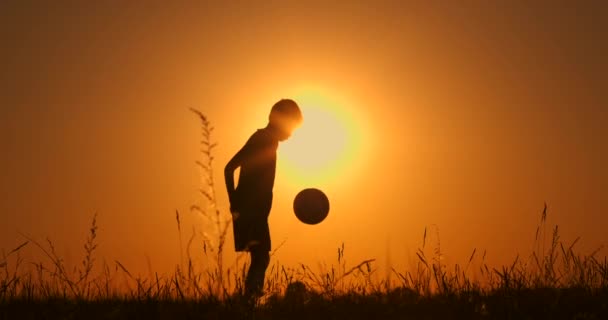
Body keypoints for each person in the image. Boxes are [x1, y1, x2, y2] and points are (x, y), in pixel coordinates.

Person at [224, 99, 303, 298]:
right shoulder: (262, 139)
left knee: (260, 258)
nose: (291, 134)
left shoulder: (269, 141)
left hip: (256, 211)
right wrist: (234, 202)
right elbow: (229, 168)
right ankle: (249, 301)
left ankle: (249, 300)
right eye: (291, 127)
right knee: (260, 258)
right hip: (249, 209)